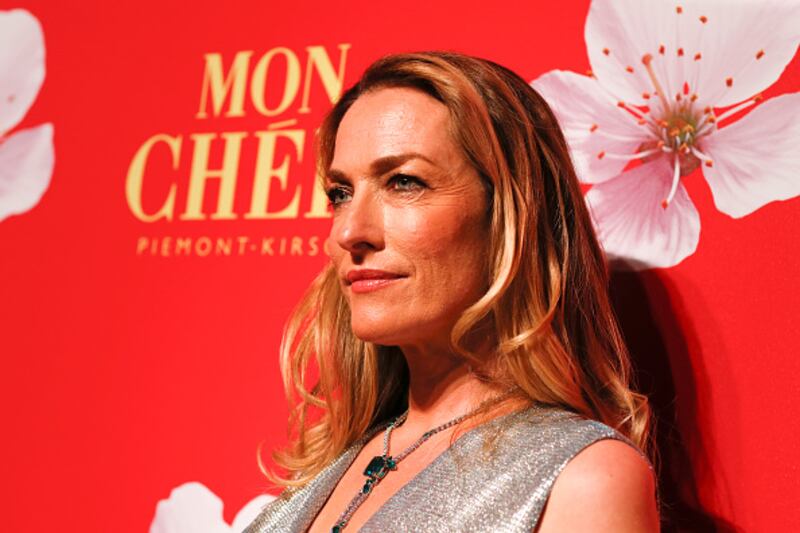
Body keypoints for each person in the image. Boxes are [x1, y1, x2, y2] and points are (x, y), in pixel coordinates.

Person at [244, 50, 660, 532]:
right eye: (341, 193)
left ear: (511, 215)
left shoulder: (584, 480)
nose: (349, 231)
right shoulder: (334, 462)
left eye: (404, 183)